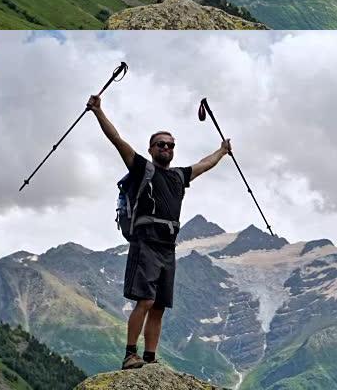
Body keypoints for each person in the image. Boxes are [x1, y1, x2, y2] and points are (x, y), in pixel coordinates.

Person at [87, 94, 231, 370]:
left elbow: (204, 163)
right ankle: (131, 353)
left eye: (171, 145)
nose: (167, 147)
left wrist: (222, 151)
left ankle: (150, 357)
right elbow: (117, 140)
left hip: (167, 247)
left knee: (159, 305)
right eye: (161, 144)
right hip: (146, 243)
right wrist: (98, 112)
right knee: (146, 299)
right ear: (151, 149)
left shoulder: (178, 176)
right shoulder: (143, 168)